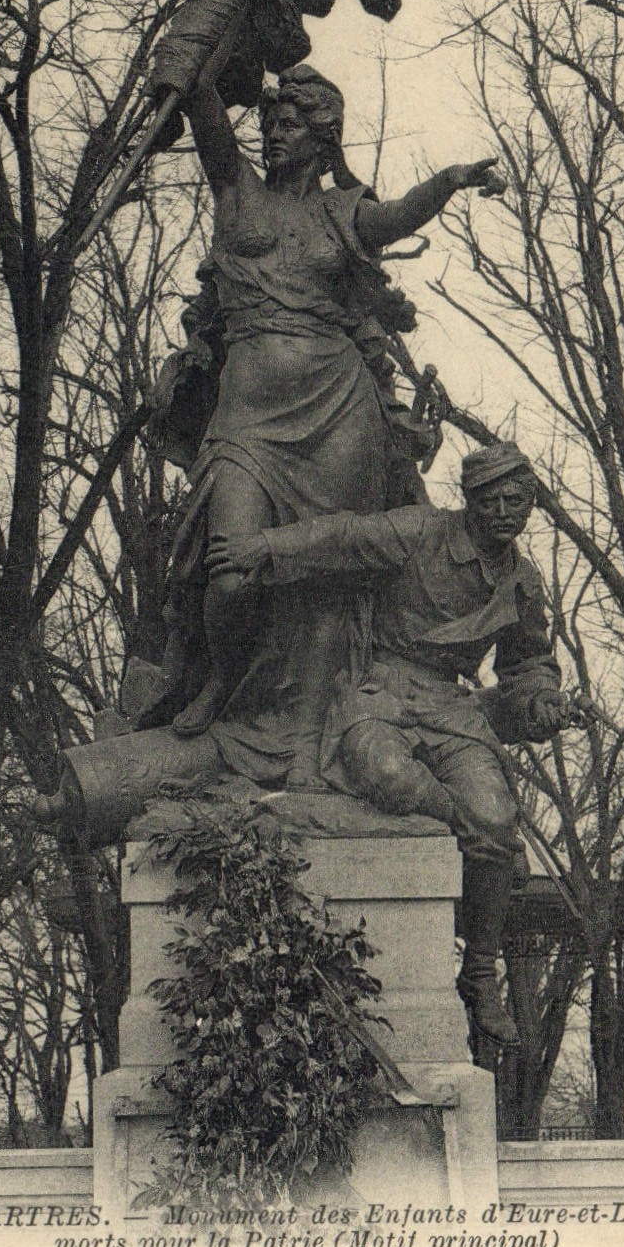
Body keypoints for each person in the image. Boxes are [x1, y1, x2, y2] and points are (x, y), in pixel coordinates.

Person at [134, 58, 505, 795]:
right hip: (246, 419)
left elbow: (397, 215)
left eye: (289, 124)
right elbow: (202, 92)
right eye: (268, 123)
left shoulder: (345, 213)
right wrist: (210, 34)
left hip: (339, 413)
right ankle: (223, 684)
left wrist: (453, 177)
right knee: (231, 570)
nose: (272, 135)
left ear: (324, 135)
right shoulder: (235, 191)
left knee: (325, 587)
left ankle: (307, 741)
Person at [205, 440, 572, 1058]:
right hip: (381, 686)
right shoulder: (420, 533)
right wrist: (262, 548)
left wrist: (544, 702)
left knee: (499, 810)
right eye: (496, 499)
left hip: (451, 706)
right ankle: (483, 845)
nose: (509, 511)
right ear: (471, 500)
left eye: (521, 500)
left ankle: (479, 970)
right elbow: (339, 539)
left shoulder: (522, 583)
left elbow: (530, 663)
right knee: (388, 774)